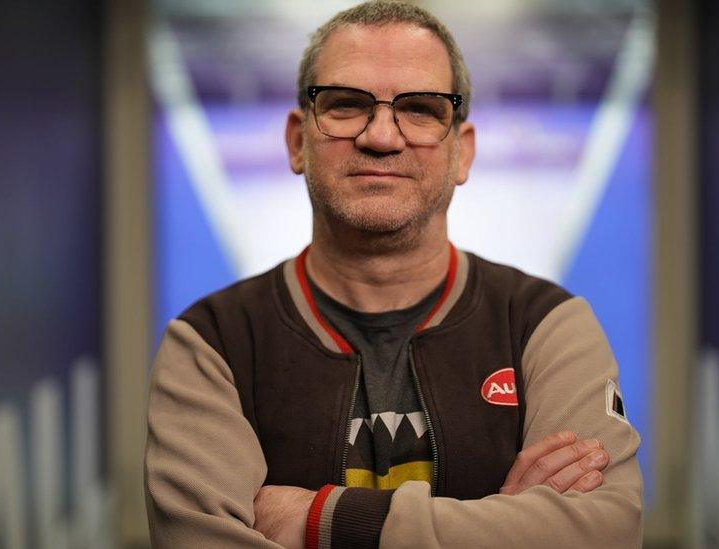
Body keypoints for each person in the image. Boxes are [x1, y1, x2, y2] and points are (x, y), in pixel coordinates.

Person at [144, 2, 642, 547]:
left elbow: (605, 534)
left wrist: (319, 521)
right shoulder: (211, 344)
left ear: (463, 153)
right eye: (344, 105)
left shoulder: (546, 326)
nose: (381, 136)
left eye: (422, 109)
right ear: (296, 141)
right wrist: (508, 522)